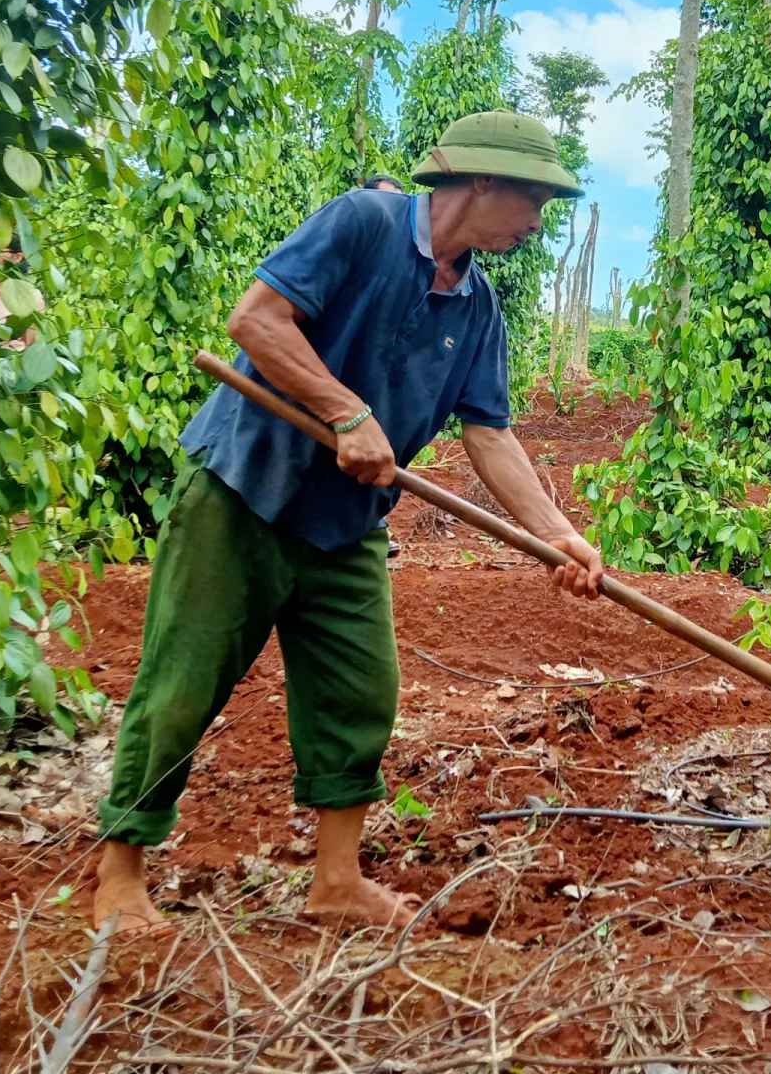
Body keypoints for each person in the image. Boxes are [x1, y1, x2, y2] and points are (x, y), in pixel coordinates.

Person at [91, 110, 605, 934]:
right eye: (534, 198)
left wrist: (557, 533)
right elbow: (255, 320)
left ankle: (335, 880)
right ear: (480, 181)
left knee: (360, 692)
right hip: (242, 491)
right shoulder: (362, 223)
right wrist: (344, 411)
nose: (539, 221)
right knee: (183, 685)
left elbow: (490, 432)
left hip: (345, 523)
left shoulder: (477, 310)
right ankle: (121, 871)